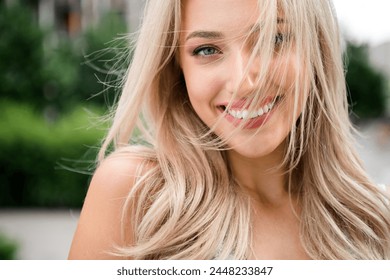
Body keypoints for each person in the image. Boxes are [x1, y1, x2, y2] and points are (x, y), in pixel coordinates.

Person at [68, 0, 390, 260]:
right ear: (177, 68)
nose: (243, 83)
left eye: (273, 39)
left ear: (315, 48)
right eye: (207, 50)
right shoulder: (137, 194)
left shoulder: (375, 220)